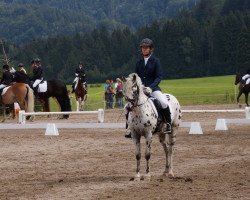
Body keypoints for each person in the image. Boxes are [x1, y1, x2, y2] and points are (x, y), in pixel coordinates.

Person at [125, 38, 172, 138]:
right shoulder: (139, 62)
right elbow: (136, 77)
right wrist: (136, 87)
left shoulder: (156, 61)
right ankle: (129, 127)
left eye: (146, 48)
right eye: (143, 48)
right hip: (141, 91)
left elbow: (159, 76)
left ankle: (168, 124)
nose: (144, 49)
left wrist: (151, 87)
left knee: (163, 102)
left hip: (153, 89)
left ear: (151, 49)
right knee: (127, 107)